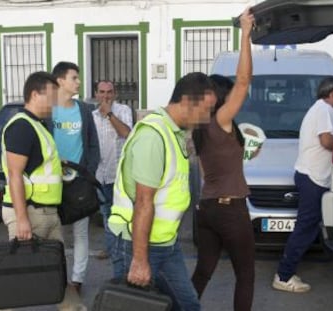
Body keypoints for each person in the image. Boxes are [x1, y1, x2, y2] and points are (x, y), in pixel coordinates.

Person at [107, 71, 215, 310]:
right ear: (187, 101)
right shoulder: (153, 135)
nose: (207, 118)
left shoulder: (173, 132)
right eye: (206, 110)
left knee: (188, 305)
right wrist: (140, 259)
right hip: (138, 244)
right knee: (132, 306)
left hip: (166, 243)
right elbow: (144, 202)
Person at [0, 71, 85, 311]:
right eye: (51, 97)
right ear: (35, 94)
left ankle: (73, 308)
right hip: (30, 214)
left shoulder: (37, 126)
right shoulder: (22, 126)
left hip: (46, 213)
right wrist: (22, 220)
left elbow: (37, 166)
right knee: (16, 279)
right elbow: (15, 175)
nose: (55, 103)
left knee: (57, 272)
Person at [190, 8, 255, 311]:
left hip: (207, 209)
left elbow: (211, 169)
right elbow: (243, 81)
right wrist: (245, 34)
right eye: (228, 96)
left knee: (203, 271)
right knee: (246, 274)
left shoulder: (201, 127)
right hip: (231, 210)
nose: (235, 100)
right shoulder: (221, 118)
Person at [272, 76, 333, 293]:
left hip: (314, 177)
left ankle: (287, 271)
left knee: (310, 227)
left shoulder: (320, 109)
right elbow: (326, 140)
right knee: (305, 227)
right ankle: (283, 275)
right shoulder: (324, 109)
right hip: (313, 178)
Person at [51, 62, 100, 295]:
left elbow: (92, 143)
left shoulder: (83, 109)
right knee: (55, 233)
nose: (78, 82)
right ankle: (56, 278)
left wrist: (87, 172)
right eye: (74, 77)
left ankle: (77, 280)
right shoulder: (47, 109)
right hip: (51, 183)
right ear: (60, 81)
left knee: (81, 233)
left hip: (78, 182)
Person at [92, 80, 133, 261]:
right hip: (100, 175)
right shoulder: (91, 116)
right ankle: (110, 249)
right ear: (96, 94)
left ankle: (123, 250)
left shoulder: (123, 111)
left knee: (122, 214)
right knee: (106, 214)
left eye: (109, 92)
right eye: (102, 92)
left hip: (120, 175)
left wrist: (109, 114)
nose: (105, 96)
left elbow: (126, 133)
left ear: (115, 94)